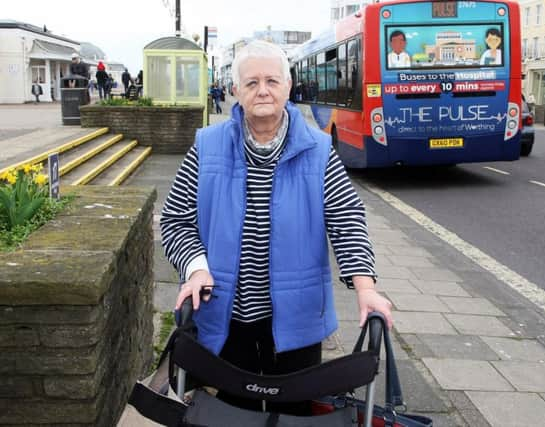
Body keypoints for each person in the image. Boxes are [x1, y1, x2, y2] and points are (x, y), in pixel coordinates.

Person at [160, 40, 393, 415]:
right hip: (225, 314)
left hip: (297, 319)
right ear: (235, 90)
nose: (263, 90)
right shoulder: (207, 146)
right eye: (251, 83)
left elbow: (347, 219)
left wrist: (365, 287)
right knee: (233, 413)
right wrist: (195, 267)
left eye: (272, 80)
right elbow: (175, 221)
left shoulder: (318, 150)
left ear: (288, 86)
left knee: (296, 412)